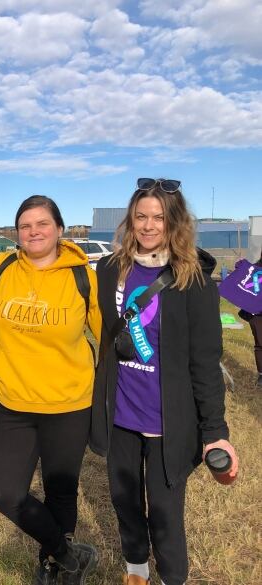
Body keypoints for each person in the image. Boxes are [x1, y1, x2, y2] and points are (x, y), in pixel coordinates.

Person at [90, 178, 239, 585]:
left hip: (166, 421)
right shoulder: (109, 269)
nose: (149, 225)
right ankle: (135, 572)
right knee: (124, 502)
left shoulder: (193, 280)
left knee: (166, 513)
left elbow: (206, 362)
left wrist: (215, 431)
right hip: (120, 412)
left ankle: (173, 577)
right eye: (141, 216)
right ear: (130, 220)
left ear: (174, 223)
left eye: (159, 217)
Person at [0, 195, 102, 585]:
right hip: (14, 403)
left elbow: (109, 338)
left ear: (59, 228)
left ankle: (55, 564)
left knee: (60, 491)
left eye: (42, 224)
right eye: (25, 226)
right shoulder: (0, 267)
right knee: (4, 493)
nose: (34, 231)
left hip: (69, 403)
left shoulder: (84, 277)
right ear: (16, 233)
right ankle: (70, 554)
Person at [237, 250, 262, 388]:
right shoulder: (255, 269)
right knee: (260, 343)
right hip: (257, 314)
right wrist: (241, 268)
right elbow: (245, 281)